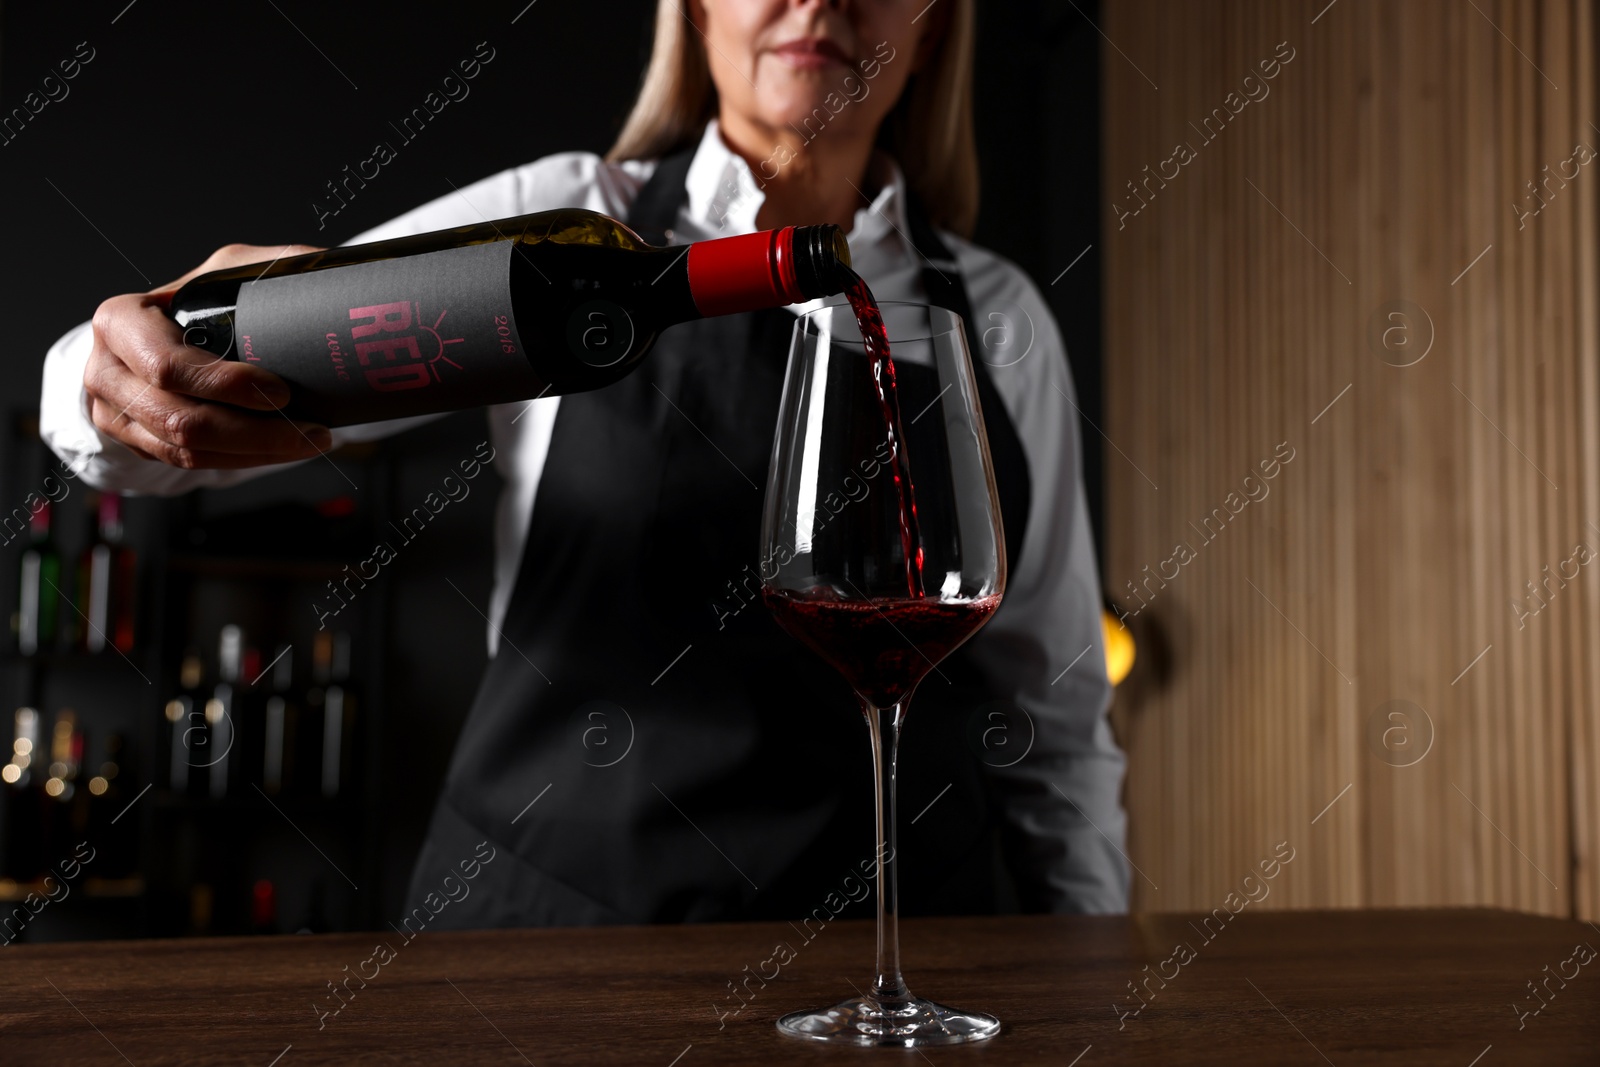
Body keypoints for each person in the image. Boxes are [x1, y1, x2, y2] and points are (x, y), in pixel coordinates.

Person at [38, 0, 1128, 924]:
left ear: (933, 29)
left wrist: (1091, 964)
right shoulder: (559, 241)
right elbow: (150, 425)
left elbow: (1056, 723)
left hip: (905, 950)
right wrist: (111, 378)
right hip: (559, 936)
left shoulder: (996, 316)